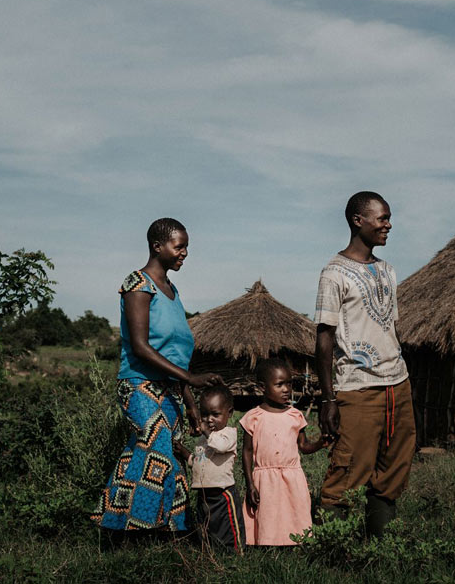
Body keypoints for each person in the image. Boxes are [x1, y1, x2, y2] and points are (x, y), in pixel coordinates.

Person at [92, 217, 223, 536]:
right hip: (138, 384)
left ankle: (144, 526)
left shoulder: (173, 292)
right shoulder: (138, 284)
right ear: (157, 246)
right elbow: (140, 347)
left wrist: (189, 403)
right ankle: (137, 528)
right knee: (157, 447)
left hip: (170, 391)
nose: (185, 253)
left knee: (154, 452)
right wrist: (191, 380)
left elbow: (176, 356)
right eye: (180, 246)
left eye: (187, 247)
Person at [314, 191, 415, 537]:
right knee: (347, 470)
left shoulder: (387, 271)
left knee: (394, 468)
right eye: (382, 218)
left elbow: (389, 327)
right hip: (357, 387)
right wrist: (328, 399)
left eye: (388, 218)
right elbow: (324, 339)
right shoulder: (334, 274)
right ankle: (331, 550)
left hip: (397, 383)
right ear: (359, 221)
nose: (388, 225)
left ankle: (381, 547)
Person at [240, 356, 327, 546]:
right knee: (268, 514)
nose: (287, 389)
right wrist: (250, 484)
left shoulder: (295, 416)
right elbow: (246, 452)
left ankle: (295, 543)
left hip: (292, 476)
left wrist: (321, 442)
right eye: (280, 385)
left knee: (293, 511)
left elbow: (304, 446)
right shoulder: (253, 417)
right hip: (265, 477)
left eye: (289, 383)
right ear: (263, 387)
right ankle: (267, 544)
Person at [187, 386, 246, 552]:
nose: (209, 419)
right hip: (203, 493)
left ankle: (236, 551)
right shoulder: (204, 438)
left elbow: (220, 446)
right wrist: (186, 454)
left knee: (228, 524)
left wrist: (205, 432)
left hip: (223, 492)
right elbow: (199, 461)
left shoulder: (229, 433)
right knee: (206, 524)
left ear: (229, 413)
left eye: (215, 414)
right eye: (204, 415)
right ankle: (209, 551)